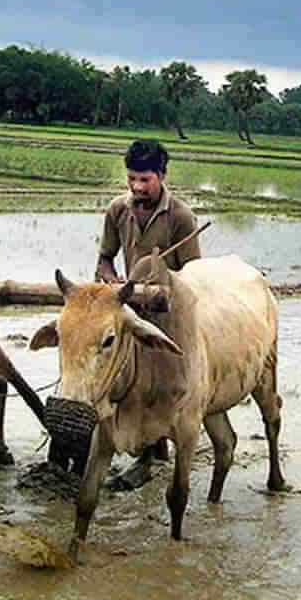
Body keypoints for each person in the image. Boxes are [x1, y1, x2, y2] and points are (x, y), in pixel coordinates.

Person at [94, 139, 202, 490]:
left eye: (145, 180)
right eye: (132, 180)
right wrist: (114, 283)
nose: (137, 188)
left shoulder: (181, 217)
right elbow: (105, 259)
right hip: (128, 307)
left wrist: (161, 294)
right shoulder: (117, 210)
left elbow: (193, 276)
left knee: (163, 384)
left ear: (161, 176)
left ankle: (153, 453)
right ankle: (137, 446)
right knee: (125, 379)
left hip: (166, 313)